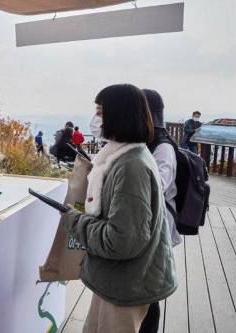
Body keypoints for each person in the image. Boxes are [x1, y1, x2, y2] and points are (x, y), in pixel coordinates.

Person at [60, 84, 177, 333]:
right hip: (122, 280)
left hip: (127, 283)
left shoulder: (130, 167)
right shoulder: (127, 156)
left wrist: (74, 220)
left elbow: (120, 241)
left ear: (119, 115)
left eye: (101, 112)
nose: (96, 119)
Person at [139, 89, 182, 333]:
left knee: (150, 291)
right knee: (144, 287)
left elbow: (157, 187)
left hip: (158, 226)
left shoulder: (163, 147)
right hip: (149, 224)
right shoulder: (148, 143)